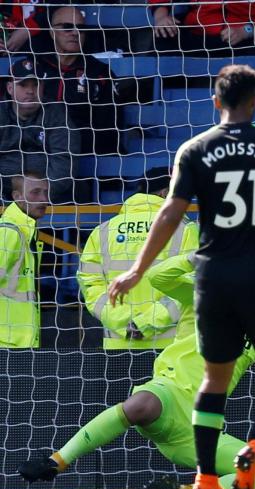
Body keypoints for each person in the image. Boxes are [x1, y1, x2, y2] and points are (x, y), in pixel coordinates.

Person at [107, 64, 255, 489]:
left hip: (213, 277)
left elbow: (169, 213)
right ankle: (254, 445)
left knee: (214, 379)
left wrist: (137, 271)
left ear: (216, 101)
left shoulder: (193, 148)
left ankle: (204, 478)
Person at [19, 252, 255, 489]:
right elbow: (159, 276)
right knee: (142, 405)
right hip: (168, 394)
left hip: (199, 427)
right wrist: (197, 257)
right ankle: (57, 461)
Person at [77, 168, 198, 350]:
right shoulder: (186, 229)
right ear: (165, 193)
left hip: (117, 344)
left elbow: (90, 286)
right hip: (170, 347)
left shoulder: (102, 231)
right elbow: (191, 286)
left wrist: (123, 321)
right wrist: (146, 323)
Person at [35, 6, 130, 155]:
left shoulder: (99, 72)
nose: (75, 33)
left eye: (81, 28)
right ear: (52, 33)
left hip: (84, 154)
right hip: (37, 149)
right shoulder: (36, 67)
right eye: (67, 27)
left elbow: (108, 129)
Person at [0, 58, 79, 203]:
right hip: (3, 195)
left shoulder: (56, 114)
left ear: (42, 87)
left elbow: (64, 164)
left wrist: (38, 196)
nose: (30, 91)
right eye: (23, 85)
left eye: (35, 85)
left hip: (49, 197)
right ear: (10, 88)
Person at [0, 172, 48, 348]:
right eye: (35, 192)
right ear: (17, 196)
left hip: (19, 342)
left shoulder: (26, 231)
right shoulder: (9, 233)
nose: (44, 199)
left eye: (46, 192)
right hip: (7, 344)